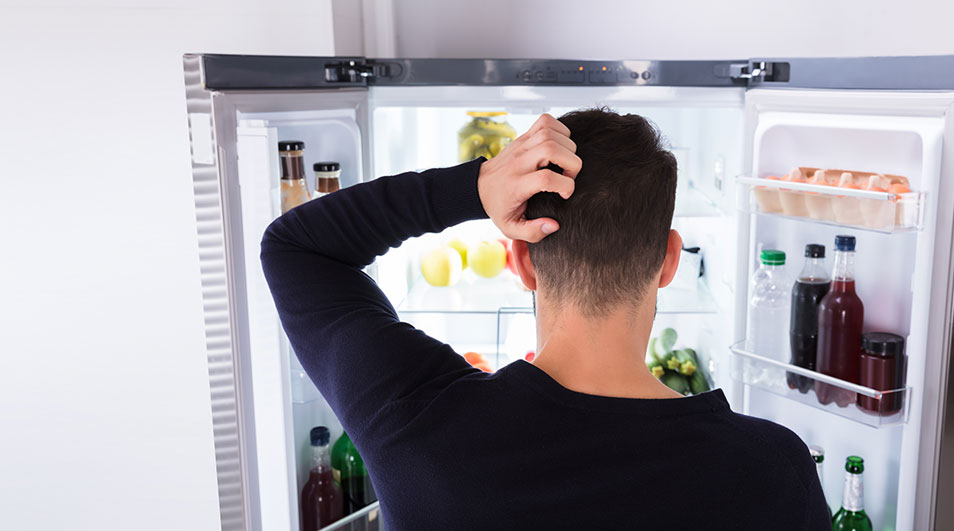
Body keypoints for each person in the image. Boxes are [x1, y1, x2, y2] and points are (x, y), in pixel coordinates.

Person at [261, 110, 831, 530]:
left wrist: (475, 187)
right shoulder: (772, 470)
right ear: (669, 261)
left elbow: (296, 247)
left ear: (521, 260)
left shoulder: (420, 430)